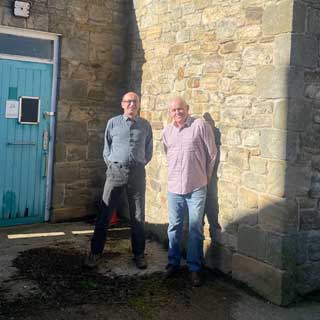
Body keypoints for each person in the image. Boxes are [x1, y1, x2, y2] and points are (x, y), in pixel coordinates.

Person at [85, 92, 153, 269]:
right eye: (128, 101)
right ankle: (95, 252)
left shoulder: (145, 125)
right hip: (115, 173)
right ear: (122, 104)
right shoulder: (113, 123)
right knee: (104, 214)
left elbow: (148, 150)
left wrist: (139, 163)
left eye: (135, 101)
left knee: (138, 216)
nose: (132, 104)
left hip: (137, 174)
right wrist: (113, 164)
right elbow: (106, 149)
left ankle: (139, 254)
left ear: (139, 104)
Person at [162, 97, 217, 286]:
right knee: (174, 227)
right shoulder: (167, 131)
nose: (177, 112)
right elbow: (166, 154)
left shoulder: (199, 125)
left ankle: (194, 269)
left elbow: (212, 153)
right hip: (174, 188)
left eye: (180, 109)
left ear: (188, 108)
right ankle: (173, 263)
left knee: (195, 229)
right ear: (170, 113)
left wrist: (205, 177)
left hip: (196, 187)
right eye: (174, 110)